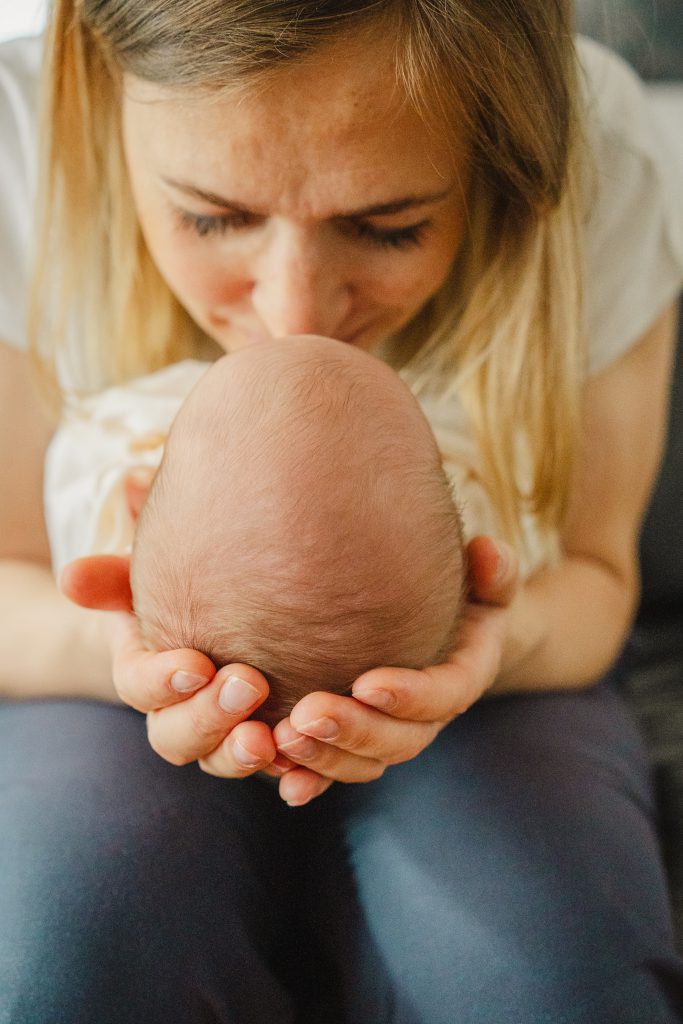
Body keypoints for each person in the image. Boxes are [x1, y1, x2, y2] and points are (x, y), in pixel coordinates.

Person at [1, 2, 682, 1022]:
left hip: (496, 679)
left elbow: (593, 569)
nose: (294, 318)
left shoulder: (604, 151)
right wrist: (127, 649)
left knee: (548, 971)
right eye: (212, 216)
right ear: (96, 85)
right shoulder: (15, 145)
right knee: (75, 941)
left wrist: (489, 642)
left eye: (387, 226)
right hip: (93, 680)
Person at [46, 336, 468, 727]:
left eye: (387, 246)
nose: (294, 309)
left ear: (134, 507)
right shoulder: (471, 443)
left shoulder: (109, 447)